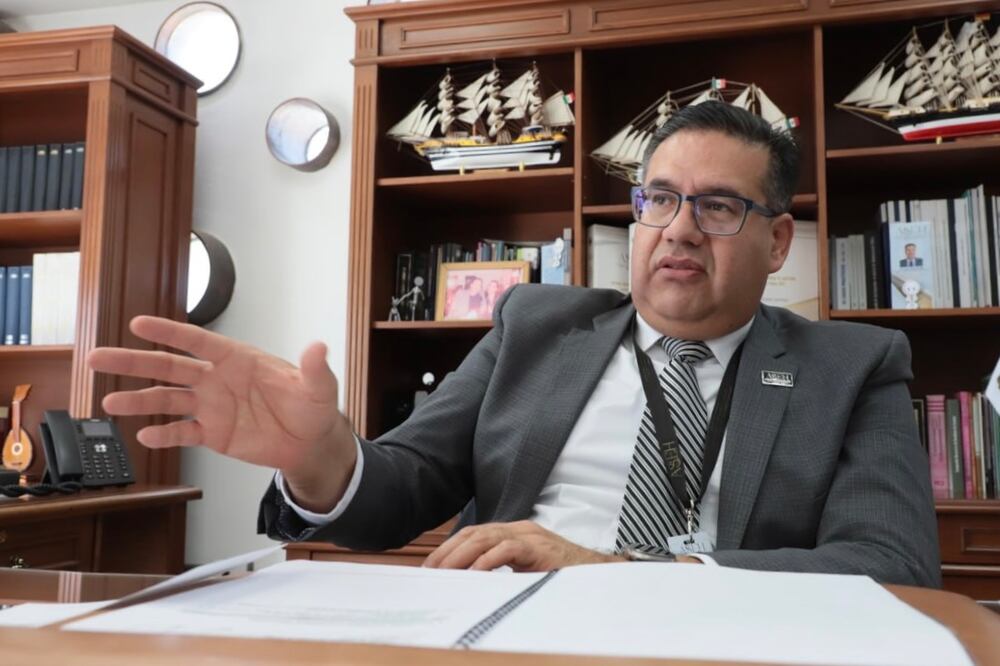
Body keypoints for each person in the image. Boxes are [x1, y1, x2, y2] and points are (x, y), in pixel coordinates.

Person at [87, 101, 940, 586]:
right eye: (658, 199)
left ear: (778, 242)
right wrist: (323, 459)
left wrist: (614, 569)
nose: (679, 230)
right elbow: (405, 487)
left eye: (717, 207)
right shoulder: (539, 325)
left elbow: (891, 565)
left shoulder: (851, 366)